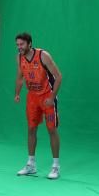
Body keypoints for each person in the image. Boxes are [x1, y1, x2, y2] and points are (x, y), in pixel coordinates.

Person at [14, 31, 63, 179]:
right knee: (31, 129)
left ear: (29, 43)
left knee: (51, 129)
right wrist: (17, 93)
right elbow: (20, 77)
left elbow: (58, 76)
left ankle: (55, 166)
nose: (19, 47)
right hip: (32, 98)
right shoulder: (19, 58)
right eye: (17, 45)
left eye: (22, 44)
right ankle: (31, 165)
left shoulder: (43, 55)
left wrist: (52, 96)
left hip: (47, 96)